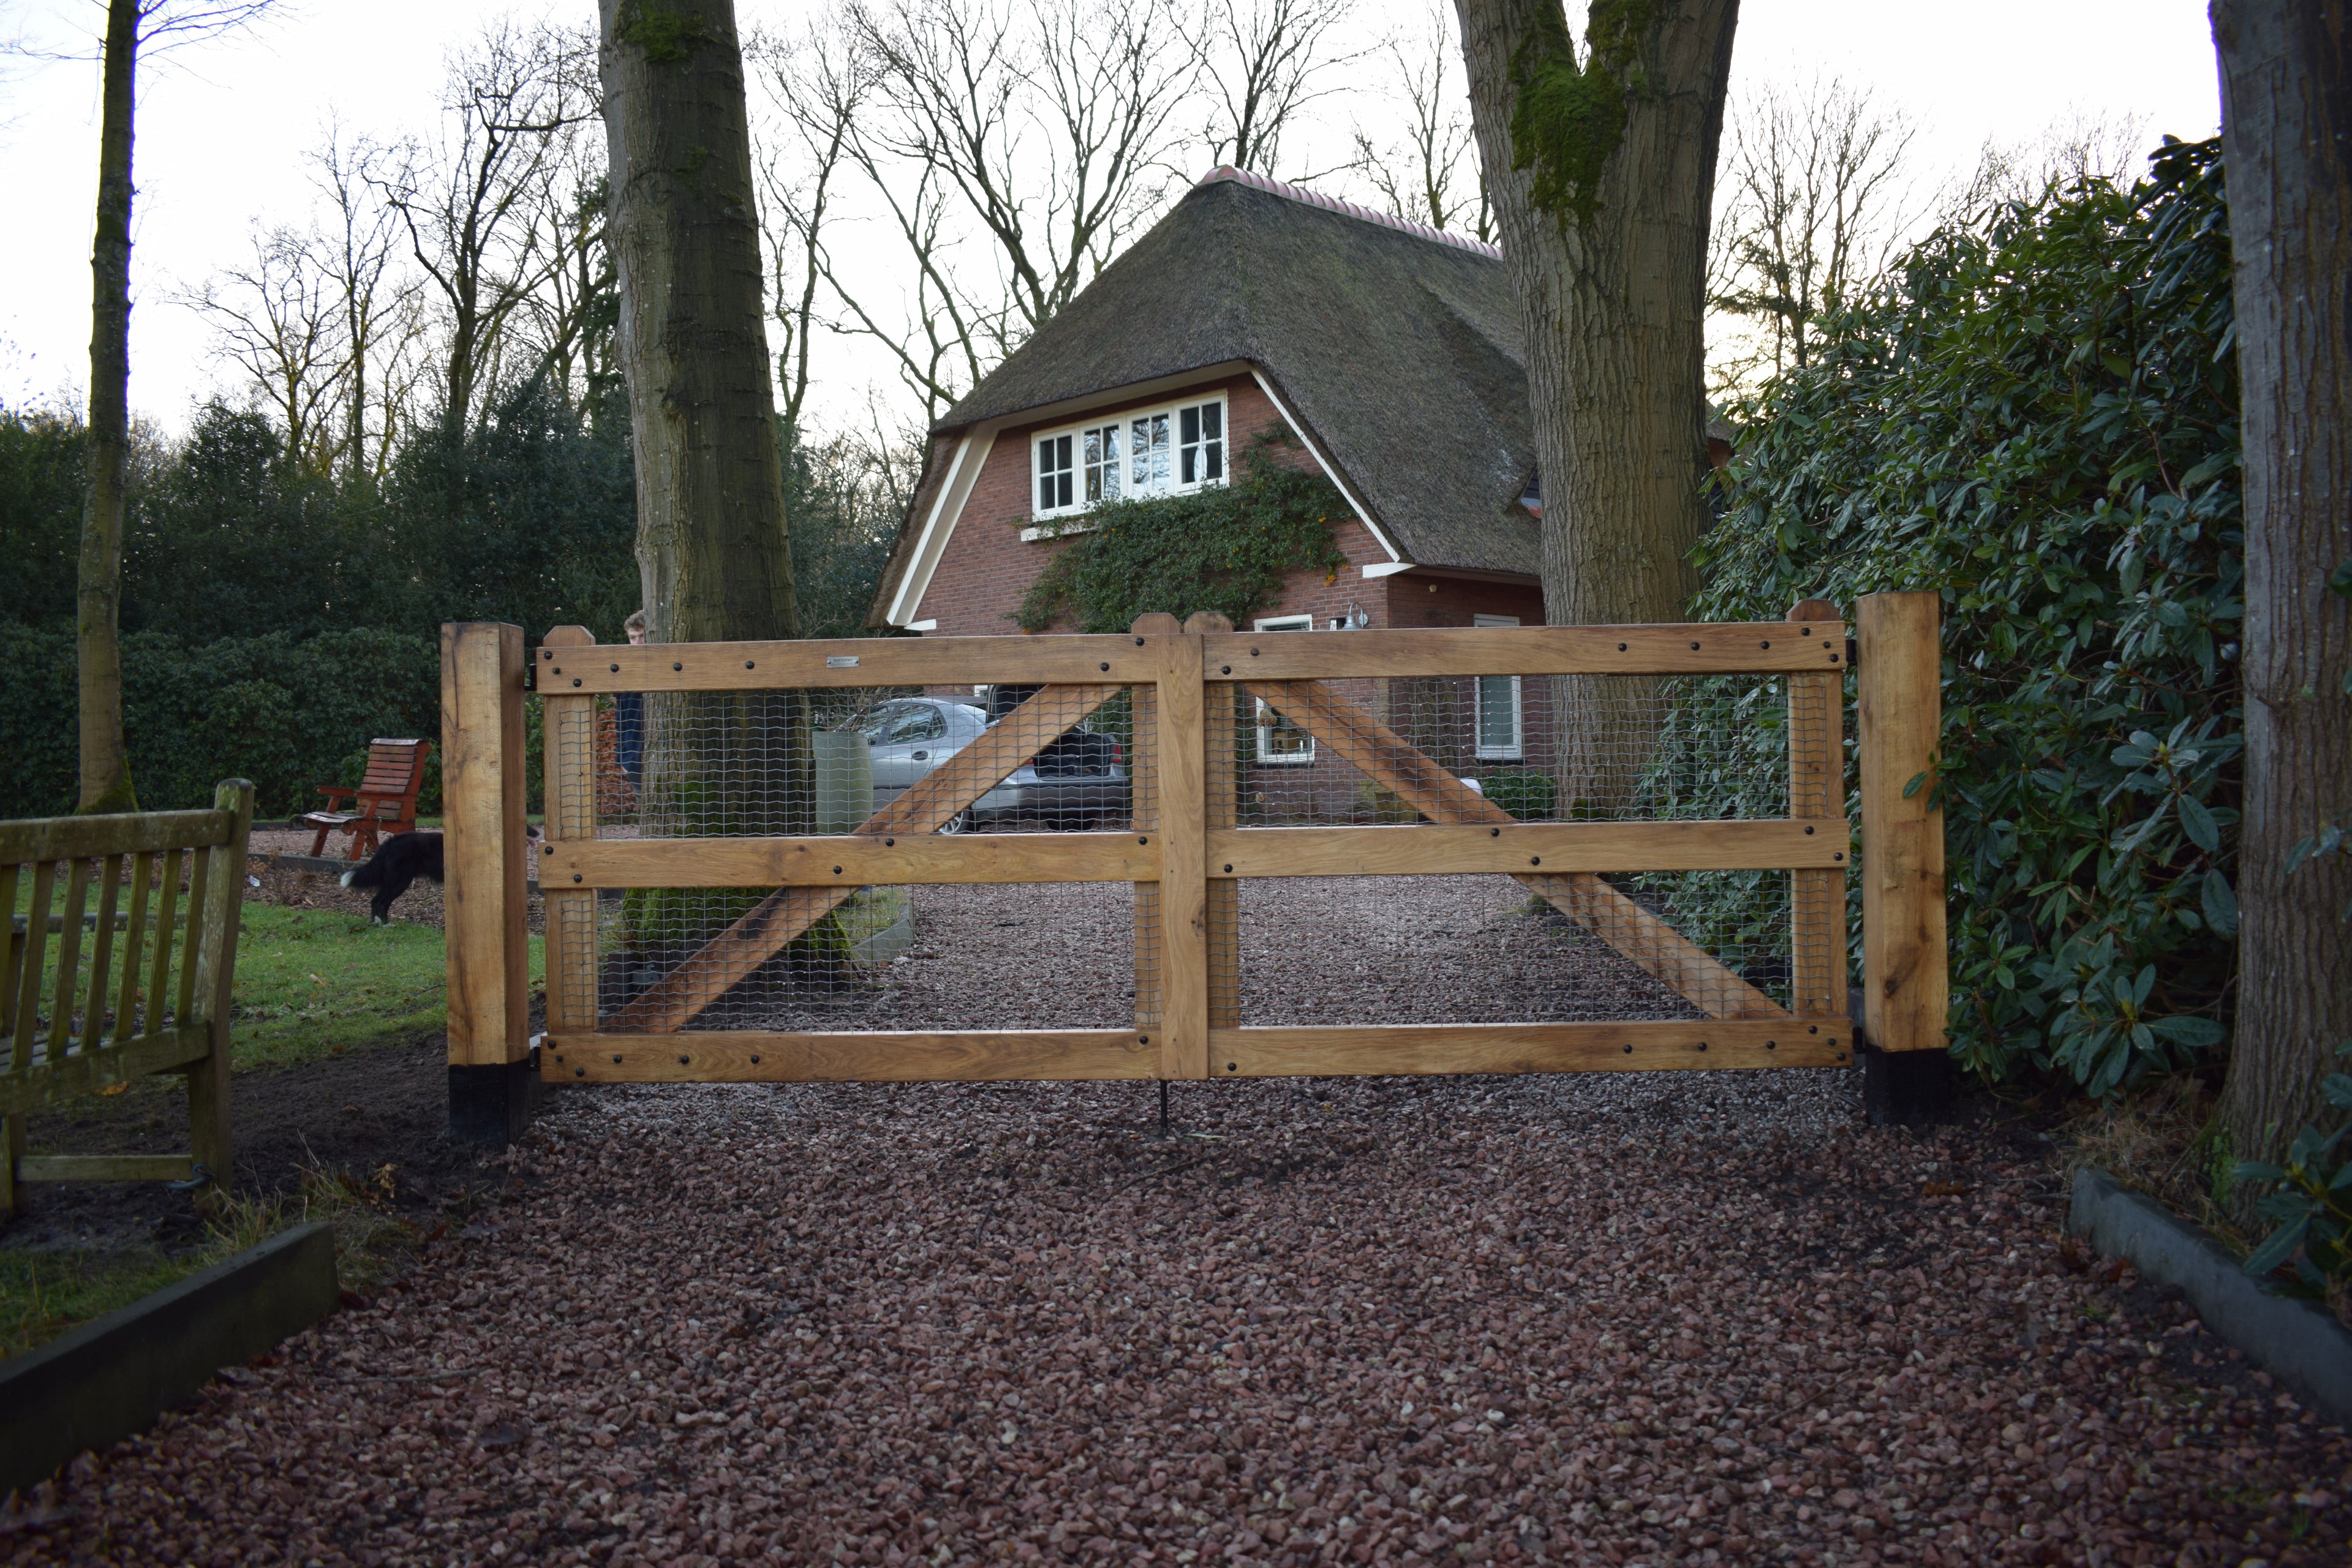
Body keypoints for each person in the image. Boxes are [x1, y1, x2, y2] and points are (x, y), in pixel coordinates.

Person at [616, 610, 647, 789]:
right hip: (634, 761)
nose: (638, 643)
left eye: (642, 636)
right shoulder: (623, 674)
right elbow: (621, 719)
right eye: (633, 638)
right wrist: (623, 760)